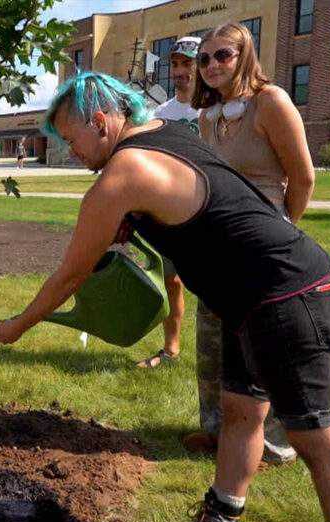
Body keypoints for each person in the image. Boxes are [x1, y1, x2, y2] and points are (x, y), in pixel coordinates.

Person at [0, 71, 330, 522]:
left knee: (319, 444)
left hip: (286, 298)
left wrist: (19, 325)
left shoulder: (122, 175)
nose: (72, 151)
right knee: (241, 411)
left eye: (71, 138)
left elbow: (71, 274)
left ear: (102, 122)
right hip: (251, 302)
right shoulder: (165, 136)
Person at [183, 22, 317, 464]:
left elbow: (302, 177)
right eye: (204, 58)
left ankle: (274, 443)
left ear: (245, 56)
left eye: (223, 55)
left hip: (264, 246)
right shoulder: (208, 117)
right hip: (219, 246)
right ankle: (218, 429)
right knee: (213, 341)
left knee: (263, 346)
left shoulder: (271, 102)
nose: (211, 65)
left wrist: (283, 230)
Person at [135, 36, 201, 370]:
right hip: (172, 211)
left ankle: (225, 357)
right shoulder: (161, 114)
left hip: (209, 212)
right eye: (175, 64)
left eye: (187, 63)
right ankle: (171, 349)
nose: (179, 71)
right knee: (172, 281)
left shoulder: (214, 109)